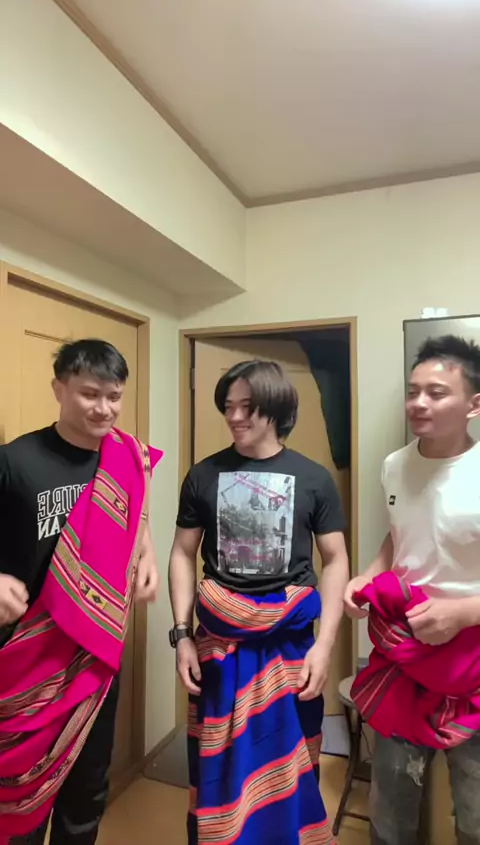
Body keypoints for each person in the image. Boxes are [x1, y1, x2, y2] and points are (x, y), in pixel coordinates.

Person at [168, 359, 349, 845]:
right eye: (228, 406)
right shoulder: (203, 475)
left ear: (276, 407)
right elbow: (182, 553)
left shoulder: (313, 478)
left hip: (292, 650)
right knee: (215, 773)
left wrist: (324, 646)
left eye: (247, 407)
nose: (234, 417)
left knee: (295, 765)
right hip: (217, 649)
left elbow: (336, 560)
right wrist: (181, 636)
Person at [0, 339, 162, 845]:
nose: (104, 409)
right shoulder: (15, 461)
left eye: (114, 397)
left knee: (86, 796)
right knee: (19, 799)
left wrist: (148, 553)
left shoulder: (127, 458)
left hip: (95, 658)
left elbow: (135, 520)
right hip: (25, 661)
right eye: (90, 394)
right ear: (59, 389)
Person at [344, 335, 480, 845]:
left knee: (476, 814)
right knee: (391, 810)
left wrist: (463, 612)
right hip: (403, 652)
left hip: (474, 659)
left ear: (474, 405)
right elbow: (399, 535)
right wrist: (368, 574)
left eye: (437, 393)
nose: (419, 403)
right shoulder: (394, 465)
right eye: (412, 391)